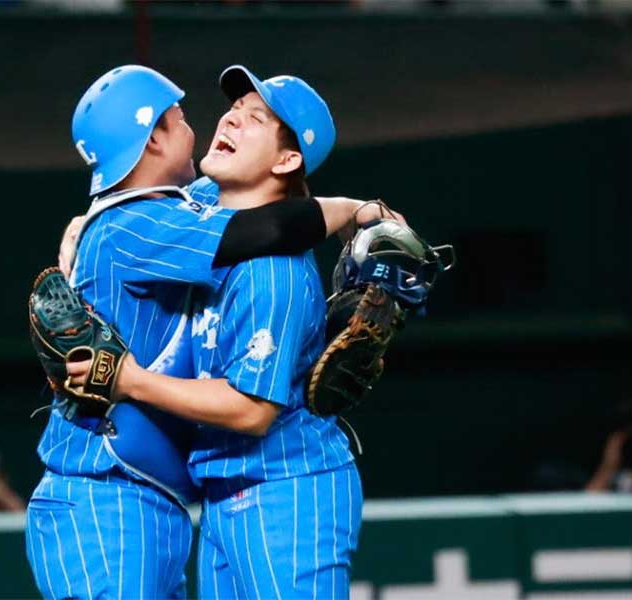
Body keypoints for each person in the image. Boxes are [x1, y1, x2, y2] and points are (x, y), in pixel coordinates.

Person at [27, 65, 402, 600]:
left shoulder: (264, 264)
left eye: (254, 119)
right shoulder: (168, 218)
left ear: (287, 158)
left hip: (280, 489)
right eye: (228, 111)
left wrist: (131, 381)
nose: (226, 119)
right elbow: (260, 221)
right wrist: (352, 209)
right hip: (126, 490)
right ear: (152, 137)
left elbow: (251, 410)